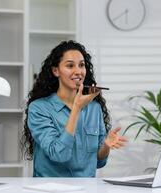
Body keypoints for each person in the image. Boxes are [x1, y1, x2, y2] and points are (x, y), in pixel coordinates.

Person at [22, 40, 127, 177]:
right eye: (70, 65)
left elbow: (98, 162)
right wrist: (76, 108)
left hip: (87, 189)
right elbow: (59, 155)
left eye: (81, 65)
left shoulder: (94, 108)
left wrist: (106, 145)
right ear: (56, 71)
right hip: (49, 189)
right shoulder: (39, 108)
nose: (78, 71)